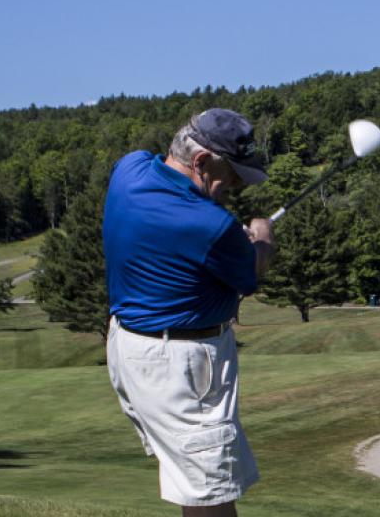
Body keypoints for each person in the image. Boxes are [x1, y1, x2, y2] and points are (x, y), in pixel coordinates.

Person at [103, 108, 275, 516]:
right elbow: (251, 274)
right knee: (212, 492)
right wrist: (262, 239)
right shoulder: (212, 225)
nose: (232, 187)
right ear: (200, 162)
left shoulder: (129, 170)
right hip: (185, 367)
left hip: (129, 348)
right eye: (230, 175)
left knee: (191, 481)